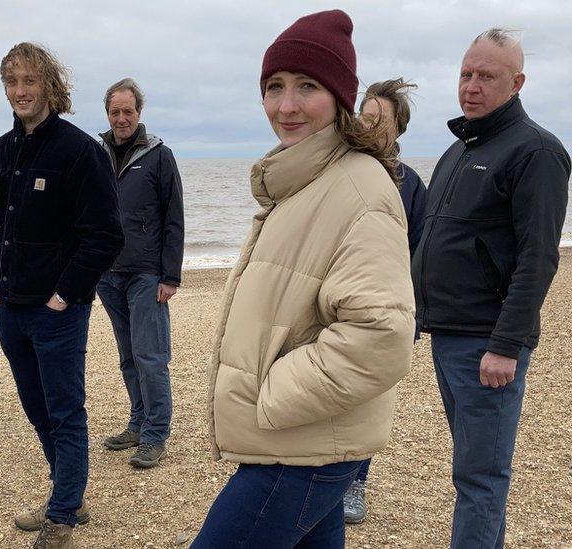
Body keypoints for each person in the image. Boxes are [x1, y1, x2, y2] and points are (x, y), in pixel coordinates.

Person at [194, 10, 415, 548]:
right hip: (310, 444)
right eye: (274, 87)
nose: (285, 105)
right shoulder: (303, 180)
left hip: (301, 447)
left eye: (307, 86)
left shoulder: (359, 190)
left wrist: (271, 396)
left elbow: (381, 337)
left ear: (339, 97)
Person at [411, 29, 570, 548]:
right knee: (473, 471)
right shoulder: (461, 147)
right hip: (446, 332)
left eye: (486, 76)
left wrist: (506, 344)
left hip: (486, 342)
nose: (471, 86)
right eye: (465, 74)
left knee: (479, 478)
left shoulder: (537, 151)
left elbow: (538, 256)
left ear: (517, 82)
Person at [0, 42, 123, 548]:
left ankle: (61, 517)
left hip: (58, 311)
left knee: (64, 410)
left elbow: (105, 235)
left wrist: (65, 294)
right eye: (12, 83)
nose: (20, 91)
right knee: (36, 409)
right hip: (10, 307)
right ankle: (69, 493)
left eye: (29, 81)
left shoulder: (81, 151)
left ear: (50, 87)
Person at [343, 77, 429, 524]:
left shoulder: (410, 184)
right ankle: (323, 474)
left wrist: (414, 317)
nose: (370, 126)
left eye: (381, 121)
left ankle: (356, 481)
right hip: (336, 305)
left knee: (371, 398)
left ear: (398, 129)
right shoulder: (340, 167)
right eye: (365, 117)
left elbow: (422, 254)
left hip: (386, 309)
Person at [96, 78, 184, 469]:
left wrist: (171, 275)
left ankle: (155, 433)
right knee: (128, 356)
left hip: (147, 273)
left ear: (139, 112)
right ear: (108, 114)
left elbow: (174, 219)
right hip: (107, 273)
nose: (121, 118)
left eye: (127, 111)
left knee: (150, 356)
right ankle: (137, 421)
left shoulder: (159, 156)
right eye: (115, 111)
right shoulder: (96, 155)